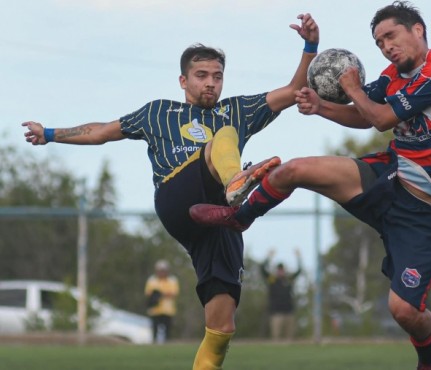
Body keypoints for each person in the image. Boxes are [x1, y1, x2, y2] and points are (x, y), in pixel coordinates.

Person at [22, 13, 319, 369]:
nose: (211, 83)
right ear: (183, 80)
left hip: (219, 221)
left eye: (217, 76)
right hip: (177, 198)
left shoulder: (237, 109)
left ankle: (234, 192)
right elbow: (101, 131)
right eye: (202, 76)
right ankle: (236, 183)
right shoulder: (158, 113)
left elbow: (292, 91)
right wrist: (50, 133)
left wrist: (310, 47)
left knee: (221, 326)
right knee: (223, 137)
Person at [190, 2, 431, 369]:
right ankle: (239, 215)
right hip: (390, 178)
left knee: (403, 311)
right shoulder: (392, 76)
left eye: (391, 36)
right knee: (294, 170)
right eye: (379, 42)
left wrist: (350, 86)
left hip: (426, 214)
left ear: (417, 29)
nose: (386, 46)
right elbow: (363, 113)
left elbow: (381, 118)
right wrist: (321, 106)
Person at [260, 249, 302, 341]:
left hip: (289, 312)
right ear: (277, 270)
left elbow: (299, 271)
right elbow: (262, 269)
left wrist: (298, 257)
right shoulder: (272, 279)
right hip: (276, 313)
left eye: (282, 270)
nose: (280, 271)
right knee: (276, 337)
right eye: (279, 270)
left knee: (290, 338)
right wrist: (268, 257)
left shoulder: (289, 279)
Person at [145, 259, 180, 343]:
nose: (162, 272)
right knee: (154, 330)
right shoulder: (152, 280)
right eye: (160, 270)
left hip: (168, 310)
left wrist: (159, 294)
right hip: (155, 309)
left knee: (167, 330)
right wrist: (164, 294)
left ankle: (167, 346)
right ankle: (154, 345)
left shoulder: (172, 280)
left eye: (163, 270)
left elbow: (174, 293)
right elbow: (148, 293)